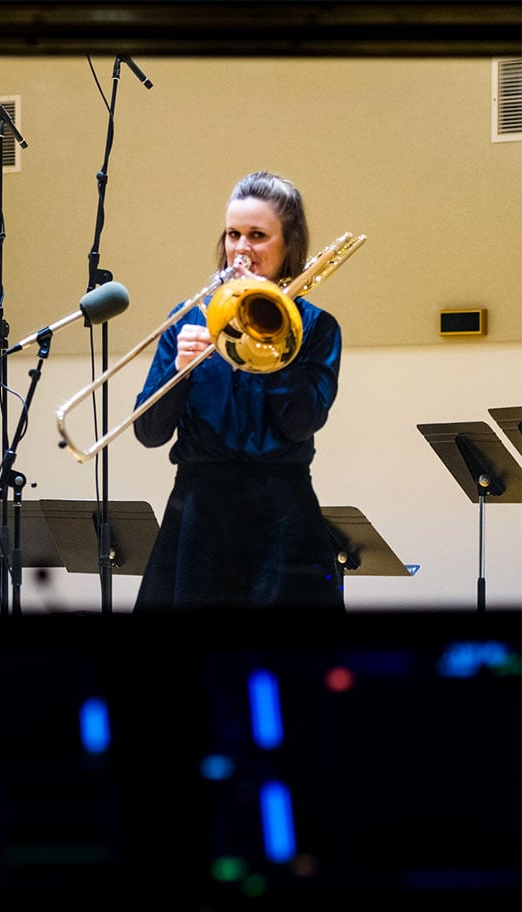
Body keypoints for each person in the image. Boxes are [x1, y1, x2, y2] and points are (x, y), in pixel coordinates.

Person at [132, 170, 344, 610]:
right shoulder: (189, 317)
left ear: (289, 244)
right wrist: (181, 371)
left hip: (281, 516)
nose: (241, 249)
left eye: (258, 235)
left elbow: (302, 422)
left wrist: (269, 345)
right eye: (233, 234)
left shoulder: (317, 327)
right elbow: (149, 433)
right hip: (198, 513)